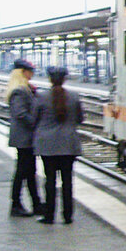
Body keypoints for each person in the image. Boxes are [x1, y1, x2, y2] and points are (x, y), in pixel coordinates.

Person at [34, 66, 83, 224]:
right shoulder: (74, 96)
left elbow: (34, 117)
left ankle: (49, 216)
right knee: (67, 181)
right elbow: (80, 119)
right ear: (64, 79)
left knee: (50, 181)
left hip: (48, 146)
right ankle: (68, 216)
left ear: (49, 79)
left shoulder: (41, 97)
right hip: (69, 144)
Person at [2, 58, 42, 217]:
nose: (32, 74)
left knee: (30, 171)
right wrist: (34, 122)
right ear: (22, 72)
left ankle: (36, 203)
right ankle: (16, 204)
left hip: (26, 138)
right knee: (22, 171)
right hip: (23, 138)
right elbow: (20, 113)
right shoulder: (19, 90)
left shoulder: (25, 88)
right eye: (29, 71)